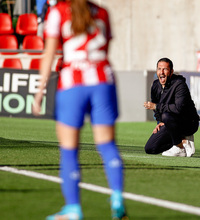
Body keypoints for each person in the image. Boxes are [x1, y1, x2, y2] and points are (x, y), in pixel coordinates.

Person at [32, 0, 127, 219]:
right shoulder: (102, 12)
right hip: (103, 80)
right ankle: (117, 198)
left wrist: (40, 91)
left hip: (73, 82)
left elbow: (49, 53)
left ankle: (73, 209)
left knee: (69, 149)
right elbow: (106, 50)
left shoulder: (58, 12)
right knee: (107, 144)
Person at [144, 57, 200, 157]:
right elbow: (157, 111)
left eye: (165, 69)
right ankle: (182, 142)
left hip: (188, 123)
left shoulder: (179, 84)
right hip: (169, 122)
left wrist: (157, 107)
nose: (162, 72)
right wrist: (159, 122)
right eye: (159, 69)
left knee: (166, 115)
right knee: (150, 148)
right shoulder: (155, 85)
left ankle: (179, 148)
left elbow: (178, 108)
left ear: (171, 72)